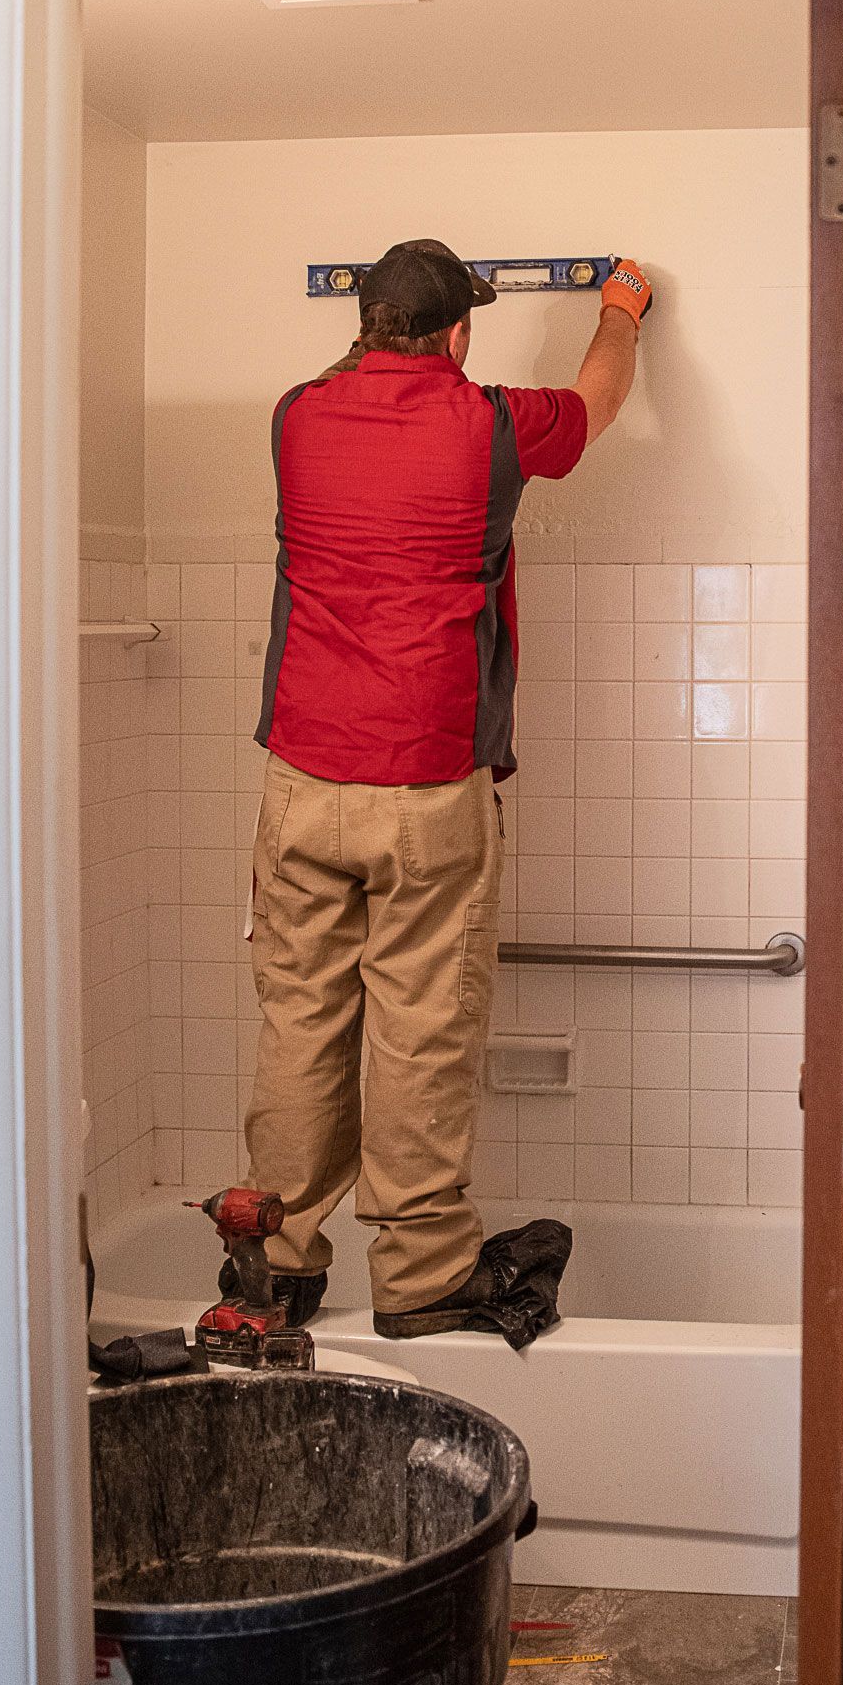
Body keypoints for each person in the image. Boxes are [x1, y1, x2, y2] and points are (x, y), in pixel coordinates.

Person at [234, 237, 652, 1337]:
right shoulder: (494, 425)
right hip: (424, 787)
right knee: (419, 1025)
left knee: (299, 1018)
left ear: (364, 325)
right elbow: (598, 399)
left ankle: (274, 1265)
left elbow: (354, 373)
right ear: (460, 336)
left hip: (299, 779)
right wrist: (622, 312)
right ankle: (419, 1276)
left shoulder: (296, 415)